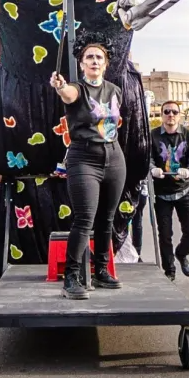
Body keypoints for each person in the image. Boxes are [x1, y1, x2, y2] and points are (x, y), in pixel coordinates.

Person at [49, 36, 125, 300]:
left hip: (114, 156)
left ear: (105, 64)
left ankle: (102, 269)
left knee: (107, 218)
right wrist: (60, 86)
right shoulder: (76, 89)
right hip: (84, 157)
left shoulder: (115, 90)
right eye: (89, 57)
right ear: (81, 64)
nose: (94, 61)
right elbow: (67, 94)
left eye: (99, 57)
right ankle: (72, 276)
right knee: (85, 219)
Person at [148, 101, 189, 281]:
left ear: (180, 115)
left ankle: (181, 253)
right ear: (162, 115)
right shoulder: (152, 136)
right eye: (167, 112)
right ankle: (169, 271)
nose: (171, 115)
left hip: (184, 190)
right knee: (165, 234)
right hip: (162, 192)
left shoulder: (188, 135)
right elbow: (147, 159)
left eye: (174, 112)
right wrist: (152, 169)